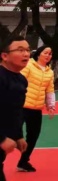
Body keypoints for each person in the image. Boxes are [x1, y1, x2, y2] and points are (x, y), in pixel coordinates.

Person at [18, 45, 56, 172]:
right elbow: (19, 81)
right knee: (11, 134)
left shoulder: (49, 72)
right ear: (38, 54)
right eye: (45, 53)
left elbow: (50, 90)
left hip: (36, 109)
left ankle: (23, 162)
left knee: (33, 136)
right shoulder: (28, 65)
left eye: (50, 54)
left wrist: (51, 106)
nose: (48, 56)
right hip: (21, 107)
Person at [0, 36, 29, 181]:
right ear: (5, 56)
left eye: (28, 50)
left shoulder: (21, 79)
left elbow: (16, 111)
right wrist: (1, 139)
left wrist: (18, 135)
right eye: (20, 50)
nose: (26, 54)